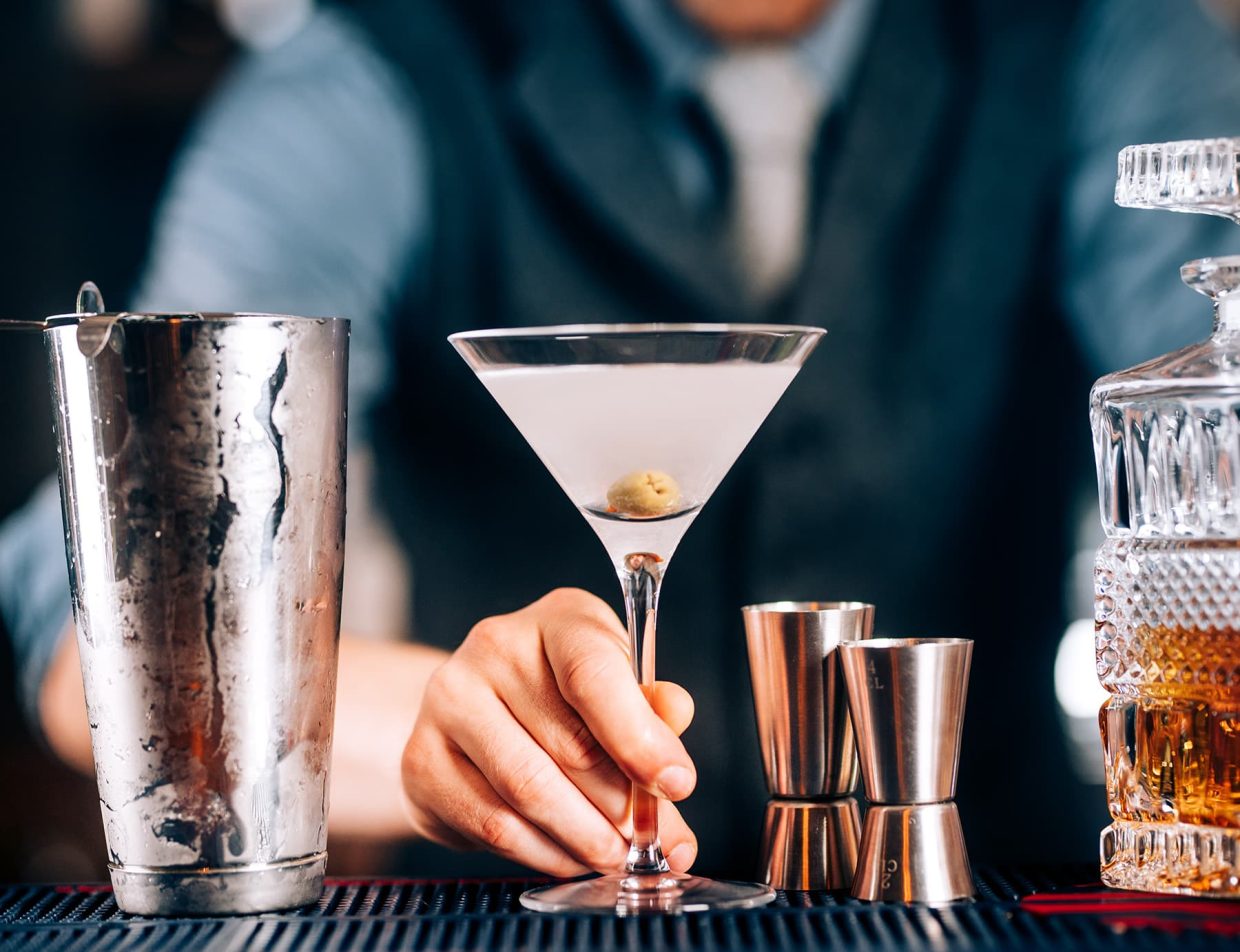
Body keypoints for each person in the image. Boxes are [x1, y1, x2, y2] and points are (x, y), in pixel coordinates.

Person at [5, 0, 1240, 877]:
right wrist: (437, 726)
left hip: (988, 905)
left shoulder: (1104, 39)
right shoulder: (379, 70)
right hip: (514, 928)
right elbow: (111, 630)